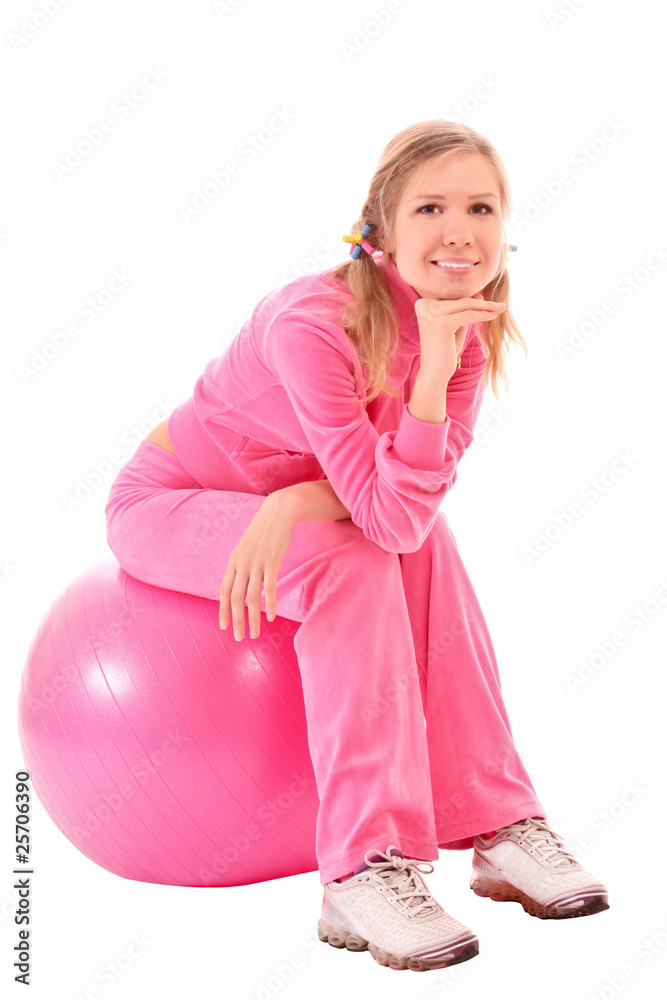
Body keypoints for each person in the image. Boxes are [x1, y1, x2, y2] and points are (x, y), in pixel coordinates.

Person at [104, 119, 609, 973]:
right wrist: (334, 478)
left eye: (481, 208)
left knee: (423, 542)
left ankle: (496, 819)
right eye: (430, 208)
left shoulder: (462, 333)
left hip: (295, 508)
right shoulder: (310, 323)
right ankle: (362, 867)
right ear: (380, 229)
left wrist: (300, 497)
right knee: (352, 562)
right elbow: (383, 517)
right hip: (169, 501)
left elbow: (405, 512)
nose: (459, 231)